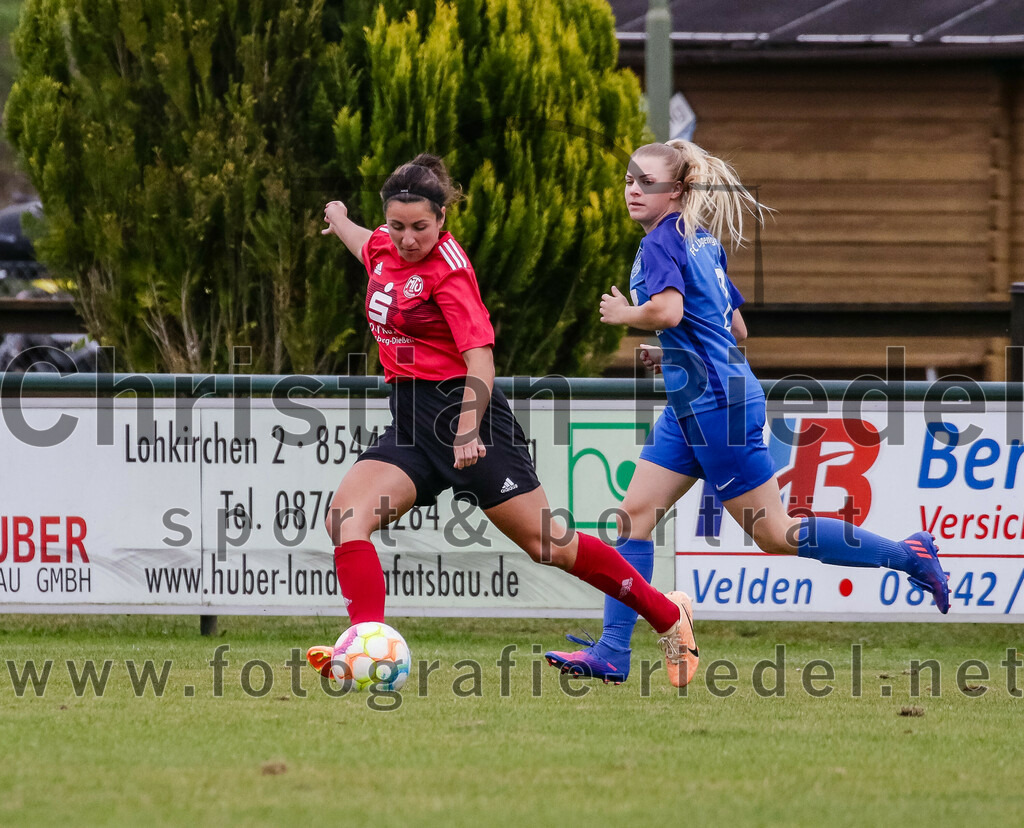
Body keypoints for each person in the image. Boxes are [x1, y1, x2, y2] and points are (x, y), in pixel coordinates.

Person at [545, 139, 951, 684]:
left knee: (775, 533)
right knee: (632, 518)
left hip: (718, 408)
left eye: (649, 183)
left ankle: (910, 553)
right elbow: (734, 328)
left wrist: (626, 315)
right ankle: (613, 652)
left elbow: (667, 309)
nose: (634, 191)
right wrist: (675, 349)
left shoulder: (663, 241)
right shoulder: (702, 241)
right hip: (697, 403)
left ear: (680, 190)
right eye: (629, 180)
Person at [306, 153, 700, 688]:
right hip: (412, 427)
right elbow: (368, 250)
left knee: (549, 545)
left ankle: (665, 614)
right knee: (346, 518)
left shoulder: (449, 272)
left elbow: (481, 361)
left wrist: (468, 428)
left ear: (442, 218)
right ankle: (364, 646)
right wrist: (339, 220)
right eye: (397, 226)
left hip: (471, 422)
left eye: (420, 227)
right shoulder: (384, 246)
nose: (407, 239)